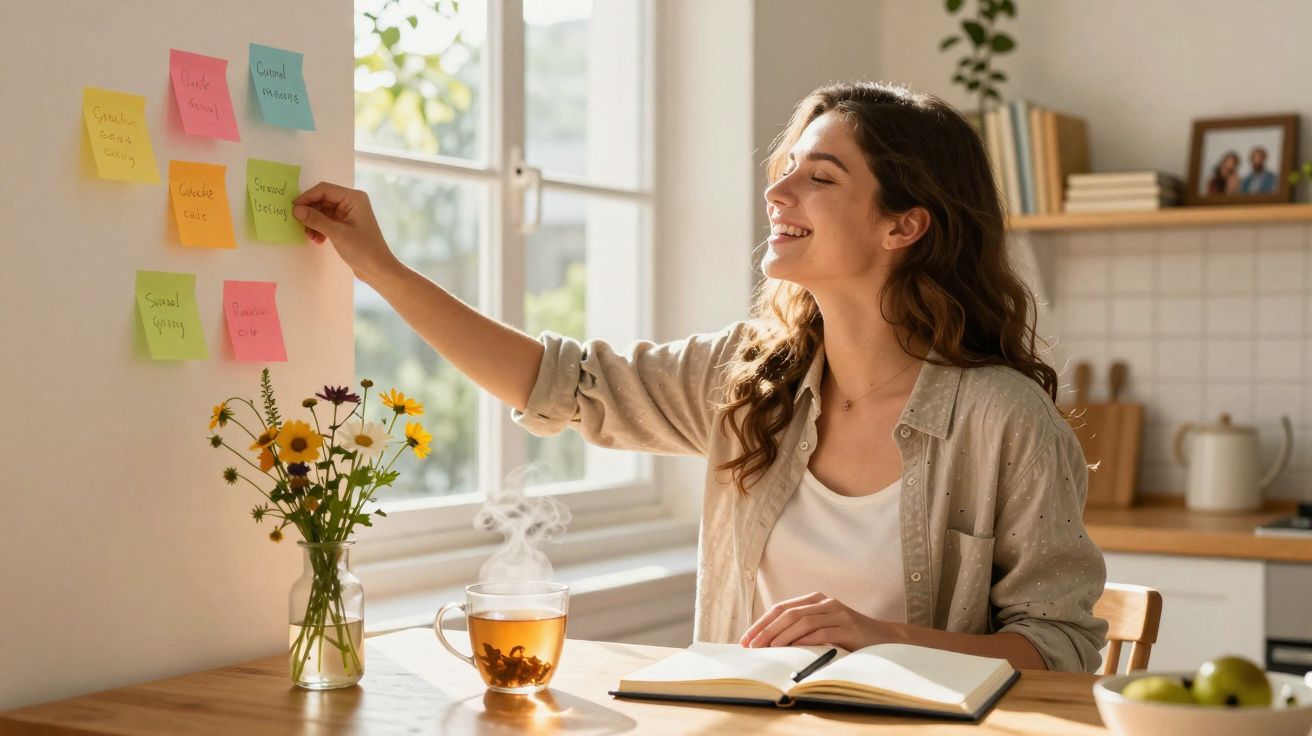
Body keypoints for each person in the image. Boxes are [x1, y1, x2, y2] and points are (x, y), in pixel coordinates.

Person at [290, 81, 1108, 673]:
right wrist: (382, 268)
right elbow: (552, 380)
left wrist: (881, 637)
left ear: (905, 224)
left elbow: (1062, 651)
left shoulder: (1005, 420)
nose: (776, 190)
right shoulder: (748, 377)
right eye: (786, 167)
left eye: (819, 177)